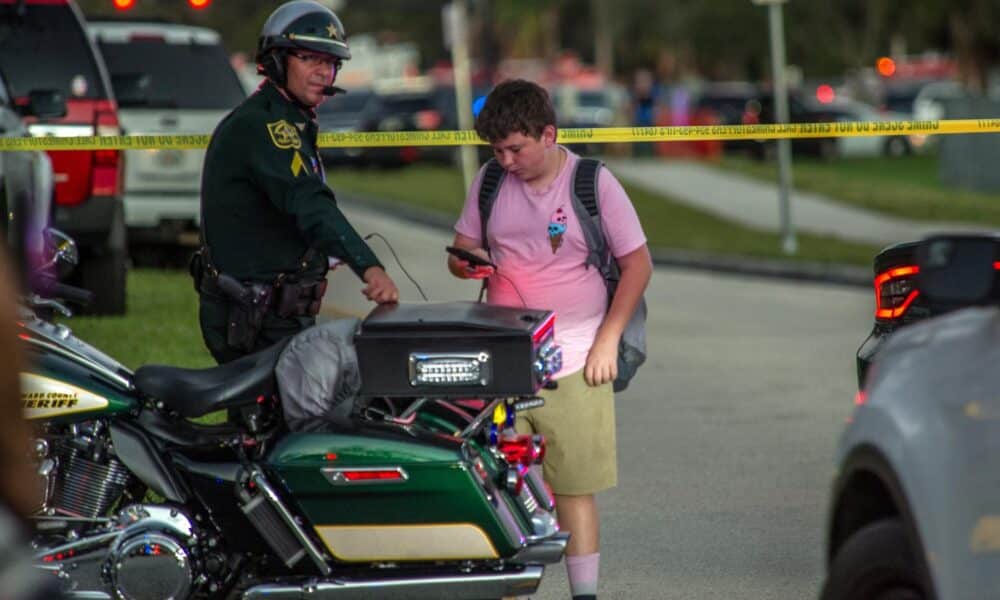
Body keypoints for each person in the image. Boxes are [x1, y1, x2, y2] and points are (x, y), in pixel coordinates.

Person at [448, 79, 652, 600]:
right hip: (502, 365)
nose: (506, 161)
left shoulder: (592, 183)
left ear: (548, 134)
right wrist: (466, 265)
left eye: (515, 148)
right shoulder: (491, 182)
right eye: (496, 151)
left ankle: (584, 593)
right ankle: (513, 587)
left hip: (578, 359)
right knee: (497, 484)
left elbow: (637, 265)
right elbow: (460, 250)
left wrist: (609, 340)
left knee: (573, 488)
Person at [197, 0, 398, 365]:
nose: (323, 72)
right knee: (298, 416)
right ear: (276, 61)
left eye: (330, 63)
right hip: (256, 317)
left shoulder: (288, 119)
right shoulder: (265, 127)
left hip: (271, 312)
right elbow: (309, 203)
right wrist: (368, 266)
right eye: (310, 58)